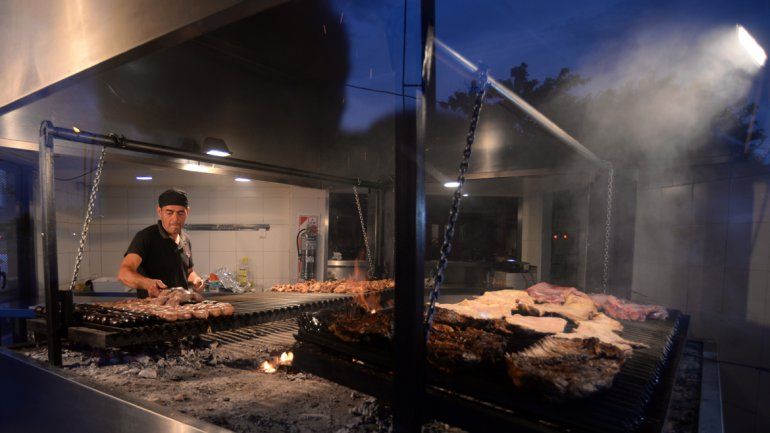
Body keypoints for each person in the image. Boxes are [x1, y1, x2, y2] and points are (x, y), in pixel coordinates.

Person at [118, 188, 204, 298]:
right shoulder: (146, 237)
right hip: (153, 310)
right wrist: (148, 283)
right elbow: (124, 273)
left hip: (182, 309)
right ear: (160, 212)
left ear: (187, 212)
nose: (175, 219)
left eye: (180, 213)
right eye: (169, 213)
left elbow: (188, 272)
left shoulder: (186, 239)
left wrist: (196, 279)